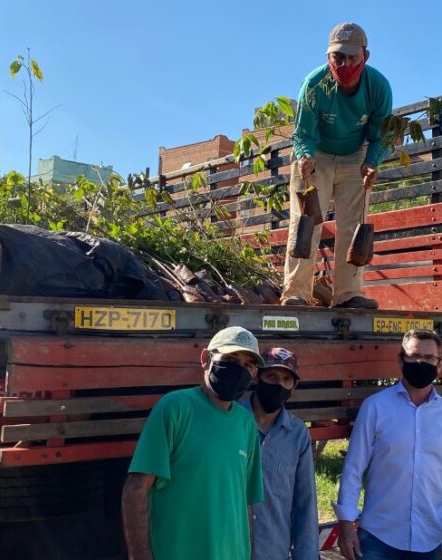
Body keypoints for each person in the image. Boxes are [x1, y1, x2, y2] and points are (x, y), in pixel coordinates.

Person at [121, 326, 265, 560]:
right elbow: (136, 489)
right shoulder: (174, 408)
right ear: (205, 358)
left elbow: (245, 503)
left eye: (248, 364)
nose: (239, 369)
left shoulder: (246, 423)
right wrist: (140, 554)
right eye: (230, 359)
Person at [335, 329, 442, 560]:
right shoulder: (375, 408)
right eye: (414, 356)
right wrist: (346, 525)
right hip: (378, 537)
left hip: (429, 539)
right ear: (400, 359)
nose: (421, 362)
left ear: (440, 364)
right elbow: (353, 468)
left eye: (429, 358)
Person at [281, 21, 394, 310]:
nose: (343, 63)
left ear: (365, 56)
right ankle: (295, 294)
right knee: (305, 223)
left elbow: (381, 135)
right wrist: (305, 155)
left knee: (353, 226)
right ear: (328, 56)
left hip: (354, 156)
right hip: (315, 153)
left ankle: (348, 295)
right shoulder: (314, 84)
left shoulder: (378, 87)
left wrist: (372, 162)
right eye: (337, 57)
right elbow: (303, 133)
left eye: (351, 57)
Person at [237, 347, 319, 560]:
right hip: (228, 550)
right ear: (257, 376)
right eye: (271, 376)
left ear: (294, 387)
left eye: (286, 379)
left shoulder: (298, 434)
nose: (278, 384)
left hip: (273, 551)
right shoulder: (231, 422)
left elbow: (305, 503)